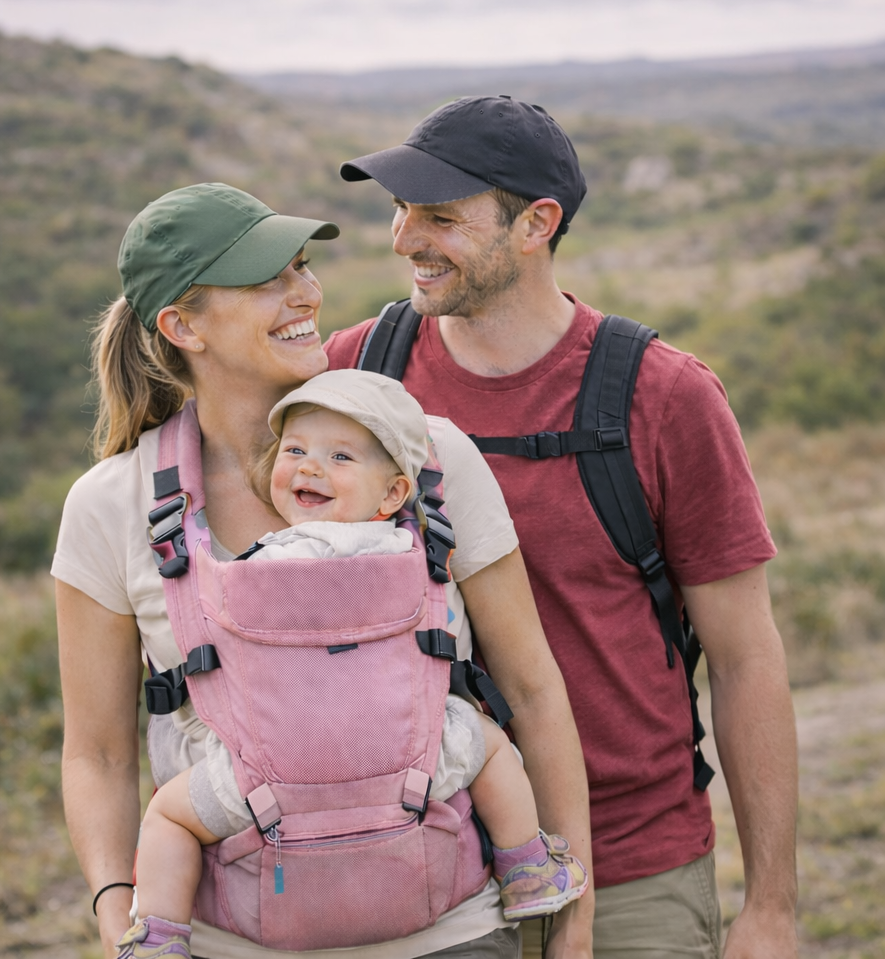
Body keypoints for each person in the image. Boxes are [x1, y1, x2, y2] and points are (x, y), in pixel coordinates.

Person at [52, 182, 592, 959]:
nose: (306, 293)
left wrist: (570, 928)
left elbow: (535, 692)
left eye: (303, 267)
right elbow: (97, 754)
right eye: (268, 280)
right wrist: (117, 920)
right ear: (181, 326)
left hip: (455, 935)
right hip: (228, 942)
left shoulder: (430, 460)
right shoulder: (113, 505)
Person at [325, 97, 799, 959]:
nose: (403, 239)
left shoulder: (664, 398)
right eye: (399, 211)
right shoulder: (359, 374)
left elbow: (745, 657)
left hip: (629, 868)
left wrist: (772, 907)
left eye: (439, 217)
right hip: (417, 870)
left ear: (537, 223)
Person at [118, 369, 589, 958]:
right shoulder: (410, 546)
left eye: (339, 456)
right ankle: (526, 866)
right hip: (414, 766)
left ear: (393, 491)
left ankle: (160, 933)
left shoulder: (262, 558)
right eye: (295, 451)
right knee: (490, 746)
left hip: (262, 784)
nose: (311, 467)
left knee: (168, 816)